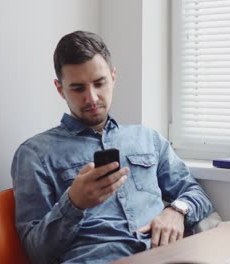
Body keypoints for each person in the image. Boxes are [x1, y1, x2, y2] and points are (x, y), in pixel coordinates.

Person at [11, 30, 214, 264]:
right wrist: (74, 203)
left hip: (163, 256)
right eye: (78, 88)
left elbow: (196, 193)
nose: (92, 97)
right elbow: (37, 252)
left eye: (99, 83)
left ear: (113, 77)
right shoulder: (35, 154)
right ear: (60, 89)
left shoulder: (148, 138)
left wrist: (177, 211)